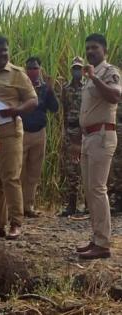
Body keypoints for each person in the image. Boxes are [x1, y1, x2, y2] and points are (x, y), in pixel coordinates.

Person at [0, 36, 38, 240]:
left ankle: (16, 222)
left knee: (11, 178)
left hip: (9, 131)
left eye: (6, 50)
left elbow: (33, 100)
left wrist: (17, 110)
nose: (3, 54)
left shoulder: (17, 74)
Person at [72, 33, 121, 259]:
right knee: (90, 190)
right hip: (88, 137)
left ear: (104, 50)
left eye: (95, 48)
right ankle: (96, 237)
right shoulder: (88, 75)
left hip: (102, 135)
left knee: (98, 189)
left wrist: (94, 78)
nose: (90, 51)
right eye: (88, 48)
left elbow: (115, 97)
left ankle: (103, 244)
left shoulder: (109, 72)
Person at [21, 56, 59, 217]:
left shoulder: (44, 88)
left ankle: (28, 207)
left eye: (35, 68)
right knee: (19, 171)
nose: (32, 71)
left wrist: (51, 90)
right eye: (29, 68)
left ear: (40, 70)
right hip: (22, 133)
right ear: (25, 70)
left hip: (39, 133)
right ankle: (15, 207)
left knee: (34, 172)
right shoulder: (21, 88)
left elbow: (54, 108)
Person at [60, 57, 85, 216]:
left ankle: (89, 205)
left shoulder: (88, 87)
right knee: (71, 169)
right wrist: (64, 130)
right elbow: (64, 110)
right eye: (74, 68)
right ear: (71, 70)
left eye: (79, 68)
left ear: (83, 70)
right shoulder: (66, 88)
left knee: (88, 168)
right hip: (71, 130)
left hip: (86, 131)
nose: (77, 71)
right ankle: (71, 205)